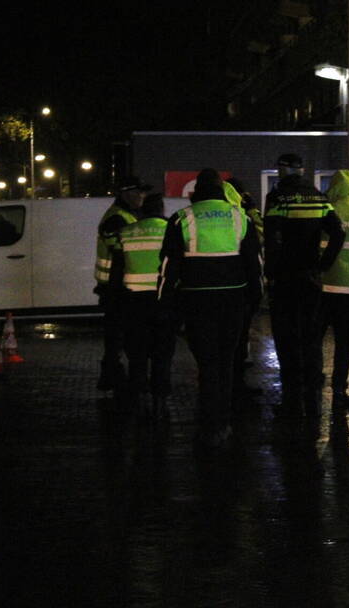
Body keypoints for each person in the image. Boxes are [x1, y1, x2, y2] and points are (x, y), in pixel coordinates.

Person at [159, 169, 262, 449]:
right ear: (221, 191)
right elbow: (255, 264)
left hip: (196, 301)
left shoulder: (182, 219)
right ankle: (223, 421)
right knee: (227, 362)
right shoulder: (240, 218)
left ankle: (209, 423)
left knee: (206, 363)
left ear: (196, 192)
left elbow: (168, 268)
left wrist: (166, 303)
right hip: (233, 301)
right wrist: (256, 298)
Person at [264, 153, 345, 420]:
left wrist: (271, 273)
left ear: (285, 170)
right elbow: (338, 233)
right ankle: (313, 382)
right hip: (311, 276)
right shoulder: (319, 198)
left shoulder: (278, 198)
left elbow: (272, 239)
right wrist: (323, 264)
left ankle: (291, 391)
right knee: (311, 333)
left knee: (286, 334)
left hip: (286, 276)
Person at [118, 192, 177, 422]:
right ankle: (160, 403)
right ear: (162, 209)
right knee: (163, 355)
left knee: (138, 355)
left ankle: (140, 402)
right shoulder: (170, 231)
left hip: (134, 303)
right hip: (164, 302)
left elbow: (118, 270)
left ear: (142, 210)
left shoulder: (127, 232)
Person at [93, 175, 148, 392]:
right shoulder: (117, 218)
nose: (141, 196)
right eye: (138, 192)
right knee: (117, 334)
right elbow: (122, 251)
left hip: (117, 285)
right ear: (126, 194)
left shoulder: (126, 215)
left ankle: (113, 375)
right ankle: (112, 375)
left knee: (117, 333)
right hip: (114, 287)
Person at [319, 169, 349, 413]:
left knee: (316, 336)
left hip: (326, 283)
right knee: (344, 342)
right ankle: (339, 386)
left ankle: (313, 378)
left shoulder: (328, 208)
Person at [223, 178, 264, 405]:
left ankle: (219, 384)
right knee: (237, 338)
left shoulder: (222, 215)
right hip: (241, 288)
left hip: (222, 288)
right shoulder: (241, 218)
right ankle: (235, 386)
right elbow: (259, 238)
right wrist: (253, 210)